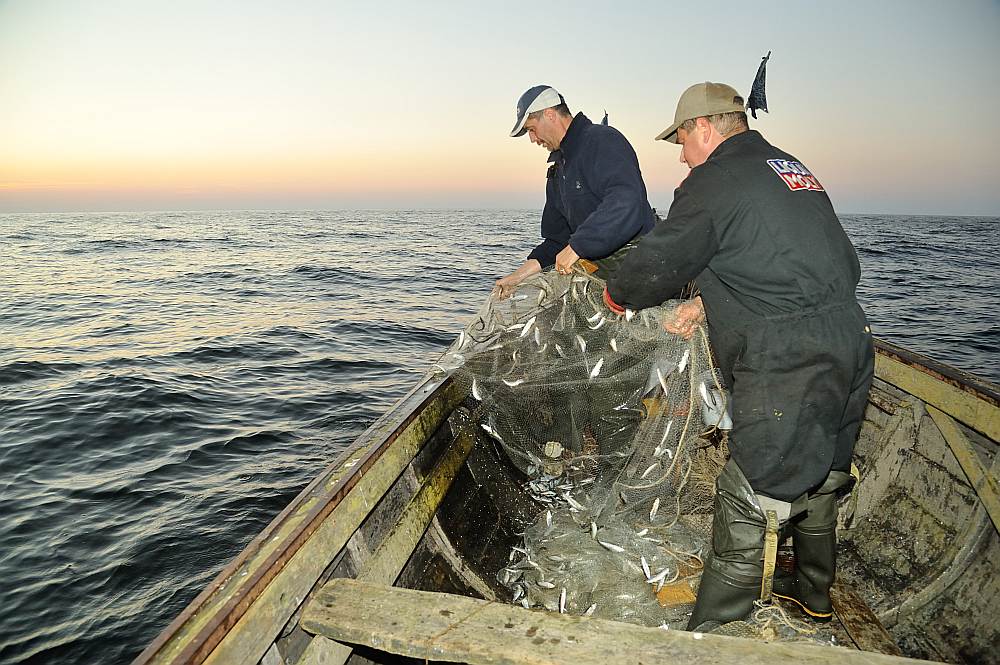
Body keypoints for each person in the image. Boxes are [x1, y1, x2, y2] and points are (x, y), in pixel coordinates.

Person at [603, 82, 875, 630]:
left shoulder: (715, 179)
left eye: (681, 139)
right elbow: (796, 259)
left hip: (788, 361)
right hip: (851, 339)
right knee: (823, 473)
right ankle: (812, 595)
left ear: (704, 128)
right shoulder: (790, 167)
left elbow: (662, 259)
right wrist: (707, 303)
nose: (680, 154)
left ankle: (714, 633)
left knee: (749, 492)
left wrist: (618, 293)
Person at [494, 85, 656, 297]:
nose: (533, 139)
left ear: (550, 114)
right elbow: (557, 241)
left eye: (531, 129)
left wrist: (578, 247)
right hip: (601, 281)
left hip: (642, 273)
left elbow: (626, 201)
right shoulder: (556, 172)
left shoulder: (602, 140)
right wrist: (518, 277)